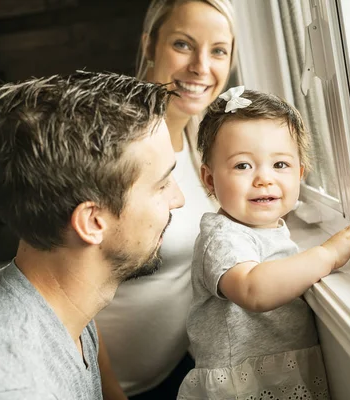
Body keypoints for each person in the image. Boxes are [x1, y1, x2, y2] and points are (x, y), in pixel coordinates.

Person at [0, 71, 185, 400]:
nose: (178, 199)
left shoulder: (59, 302)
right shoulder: (9, 389)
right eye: (161, 185)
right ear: (92, 222)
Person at [176, 87, 350, 399]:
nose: (263, 179)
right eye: (243, 165)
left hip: (277, 375)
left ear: (300, 174)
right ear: (210, 179)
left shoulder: (273, 229)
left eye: (280, 165)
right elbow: (253, 290)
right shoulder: (223, 236)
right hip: (242, 386)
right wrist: (326, 255)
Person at [95, 0, 236, 398]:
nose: (201, 67)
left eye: (218, 50)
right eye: (183, 45)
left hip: (179, 373)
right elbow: (71, 282)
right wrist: (110, 394)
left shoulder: (197, 140)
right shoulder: (116, 145)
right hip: (110, 388)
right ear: (149, 46)